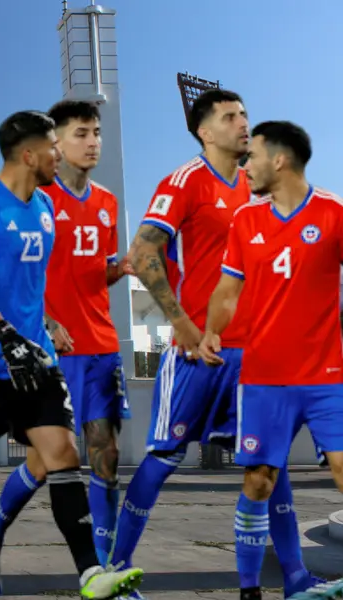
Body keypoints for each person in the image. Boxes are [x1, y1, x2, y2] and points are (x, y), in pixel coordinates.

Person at [116, 91, 326, 599]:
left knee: (267, 466)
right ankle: (114, 573)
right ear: (204, 132)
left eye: (246, 115)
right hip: (199, 353)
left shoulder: (261, 191)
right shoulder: (185, 181)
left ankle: (295, 579)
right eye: (230, 117)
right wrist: (184, 326)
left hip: (256, 355)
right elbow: (142, 253)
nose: (243, 124)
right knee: (164, 457)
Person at [0, 110, 143, 599]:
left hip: (63, 354)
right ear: (39, 149)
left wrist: (49, 321)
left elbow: (45, 283)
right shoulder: (0, 199)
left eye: (95, 133)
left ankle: (95, 571)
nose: (84, 145)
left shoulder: (75, 204)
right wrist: (14, 332)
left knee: (78, 458)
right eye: (71, 138)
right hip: (4, 359)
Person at [199, 120, 343, 600]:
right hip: (263, 380)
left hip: (328, 377)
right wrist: (211, 332)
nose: (246, 163)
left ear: (279, 160)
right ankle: (249, 590)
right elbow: (227, 289)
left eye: (253, 155)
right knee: (258, 481)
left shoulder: (333, 213)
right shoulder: (246, 220)